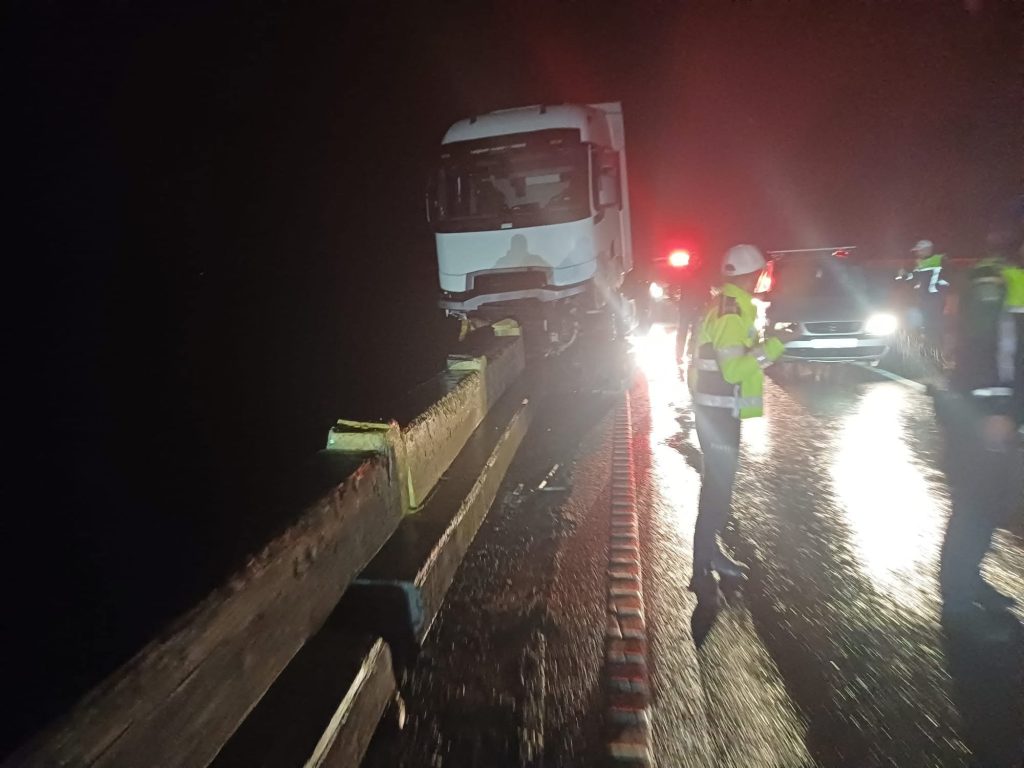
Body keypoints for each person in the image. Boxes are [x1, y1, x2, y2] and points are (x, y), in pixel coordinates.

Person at [935, 200, 1024, 626]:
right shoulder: (993, 280)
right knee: (976, 502)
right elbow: (983, 352)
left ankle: (969, 577)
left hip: (998, 407)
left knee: (994, 499)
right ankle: (957, 599)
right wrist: (999, 410)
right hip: (986, 408)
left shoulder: (1007, 278)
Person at [689, 244, 791, 596]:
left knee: (718, 487)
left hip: (716, 410)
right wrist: (775, 346)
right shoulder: (731, 313)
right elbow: (734, 369)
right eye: (764, 272)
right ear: (754, 275)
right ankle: (703, 563)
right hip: (718, 413)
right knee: (717, 489)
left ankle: (709, 555)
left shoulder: (727, 307)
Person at [899, 239, 950, 352]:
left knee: (932, 327)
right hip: (930, 299)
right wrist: (905, 275)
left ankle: (934, 351)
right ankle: (932, 350)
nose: (917, 253)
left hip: (933, 300)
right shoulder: (927, 261)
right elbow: (915, 278)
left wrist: (904, 275)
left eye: (919, 251)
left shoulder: (933, 261)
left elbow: (916, 278)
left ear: (927, 250)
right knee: (929, 327)